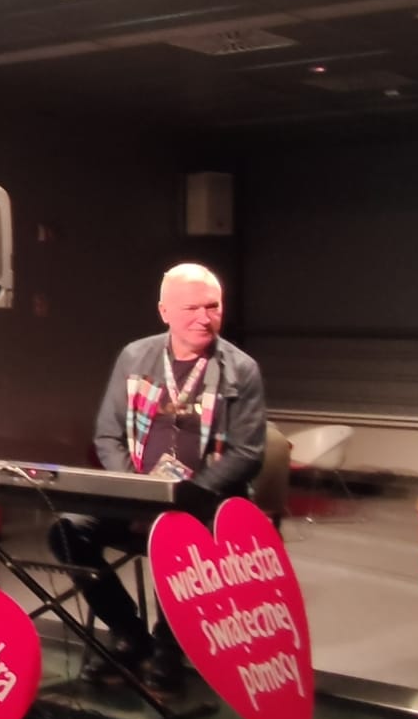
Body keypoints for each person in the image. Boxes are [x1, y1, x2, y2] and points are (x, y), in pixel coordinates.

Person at [56, 263, 267, 694]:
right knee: (67, 532)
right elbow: (108, 435)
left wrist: (183, 495)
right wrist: (135, 491)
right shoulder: (135, 357)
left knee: (180, 539)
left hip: (204, 502)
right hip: (138, 496)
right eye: (192, 308)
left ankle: (169, 649)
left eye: (213, 307)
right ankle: (129, 634)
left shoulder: (240, 369)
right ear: (164, 311)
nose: (204, 318)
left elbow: (248, 453)